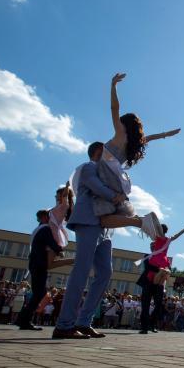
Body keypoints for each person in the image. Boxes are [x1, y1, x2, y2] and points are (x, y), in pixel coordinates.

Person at [92, 73, 178, 238]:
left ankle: (140, 222)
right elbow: (150, 138)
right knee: (108, 218)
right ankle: (140, 221)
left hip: (106, 178)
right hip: (116, 181)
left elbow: (114, 109)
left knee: (103, 220)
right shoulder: (133, 143)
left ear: (124, 123)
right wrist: (166, 134)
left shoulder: (120, 134)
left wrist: (113, 87)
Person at [54, 142, 123, 340]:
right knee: (82, 270)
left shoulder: (108, 172)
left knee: (105, 273)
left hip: (105, 227)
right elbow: (96, 186)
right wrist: (114, 196)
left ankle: (84, 322)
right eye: (106, 153)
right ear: (97, 153)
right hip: (88, 220)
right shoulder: (89, 167)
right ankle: (64, 325)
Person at [16, 210, 73, 330]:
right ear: (43, 217)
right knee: (39, 293)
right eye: (49, 216)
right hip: (38, 264)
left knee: (39, 292)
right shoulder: (45, 229)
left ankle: (23, 319)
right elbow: (51, 242)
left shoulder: (39, 229)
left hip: (36, 263)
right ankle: (23, 320)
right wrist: (59, 250)